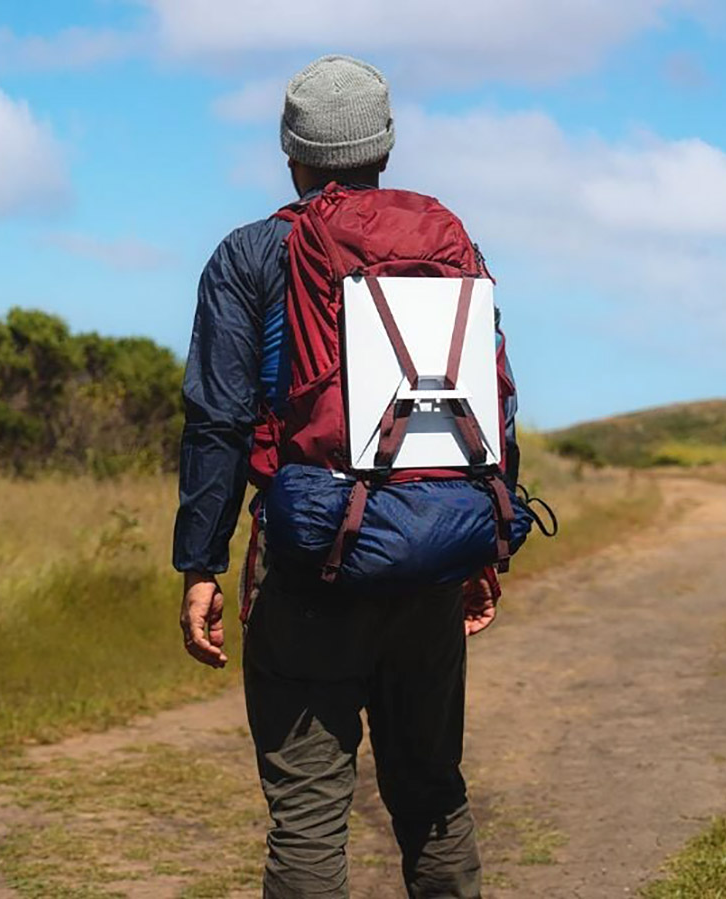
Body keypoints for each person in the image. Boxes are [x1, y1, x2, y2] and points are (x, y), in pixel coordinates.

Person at [173, 54, 519, 899]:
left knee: (308, 819)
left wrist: (200, 564)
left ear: (290, 151)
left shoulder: (251, 256)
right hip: (429, 557)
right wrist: (479, 546)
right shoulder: (446, 246)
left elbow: (218, 421)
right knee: (433, 795)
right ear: (386, 146)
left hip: (308, 563)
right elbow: (490, 404)